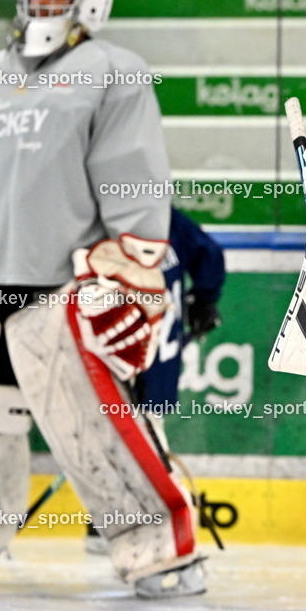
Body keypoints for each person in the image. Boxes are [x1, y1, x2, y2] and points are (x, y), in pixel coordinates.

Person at [0, 0, 204, 598]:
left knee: (94, 430)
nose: (39, 7)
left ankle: (156, 544)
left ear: (89, 4)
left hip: (60, 292)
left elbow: (133, 171)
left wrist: (134, 257)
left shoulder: (113, 71)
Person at [86, 206, 225, 554]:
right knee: (121, 434)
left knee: (142, 434)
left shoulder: (165, 219)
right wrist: (204, 299)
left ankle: (145, 520)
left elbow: (209, 255)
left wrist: (205, 299)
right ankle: (120, 519)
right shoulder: (109, 221)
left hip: (155, 358)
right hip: (117, 355)